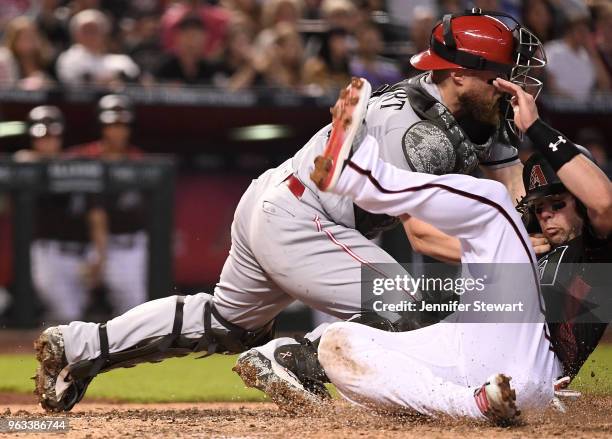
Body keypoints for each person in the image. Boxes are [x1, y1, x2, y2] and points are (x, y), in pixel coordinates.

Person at [33, 11, 546, 414]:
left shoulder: (480, 112)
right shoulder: (418, 133)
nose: (513, 86)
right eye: (501, 76)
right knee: (406, 303)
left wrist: (531, 230)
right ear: (457, 76)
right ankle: (293, 358)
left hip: (280, 200)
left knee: (224, 321)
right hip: (305, 217)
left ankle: (80, 344)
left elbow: (509, 187)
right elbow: (424, 237)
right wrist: (512, 268)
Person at [310, 75, 611, 424]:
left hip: (535, 368)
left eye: (557, 204)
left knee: (494, 202)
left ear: (580, 205)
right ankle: (471, 405)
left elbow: (603, 202)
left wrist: (534, 126)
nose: (546, 216)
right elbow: (431, 239)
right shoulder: (532, 244)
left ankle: (359, 175)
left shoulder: (594, 248)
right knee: (337, 343)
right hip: (472, 352)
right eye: (540, 208)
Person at [14, 106, 106, 322]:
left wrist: (99, 255)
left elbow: (96, 215)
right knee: (68, 316)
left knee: (76, 318)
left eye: (51, 136)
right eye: (41, 137)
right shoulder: (27, 166)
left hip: (81, 255)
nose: (47, 142)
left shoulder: (75, 165)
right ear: (33, 139)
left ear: (60, 136)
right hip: (48, 254)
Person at [65, 94, 149, 315]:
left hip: (129, 245)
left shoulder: (138, 159)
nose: (118, 131)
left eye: (122, 125)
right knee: (68, 306)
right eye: (112, 125)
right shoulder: (85, 156)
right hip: (88, 245)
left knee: (135, 309)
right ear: (102, 126)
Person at [55, 9, 140, 87]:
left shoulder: (122, 60)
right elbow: (72, 82)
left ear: (105, 33)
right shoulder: (68, 58)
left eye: (95, 30)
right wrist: (111, 80)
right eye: (86, 31)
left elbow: (134, 80)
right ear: (75, 34)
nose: (91, 35)